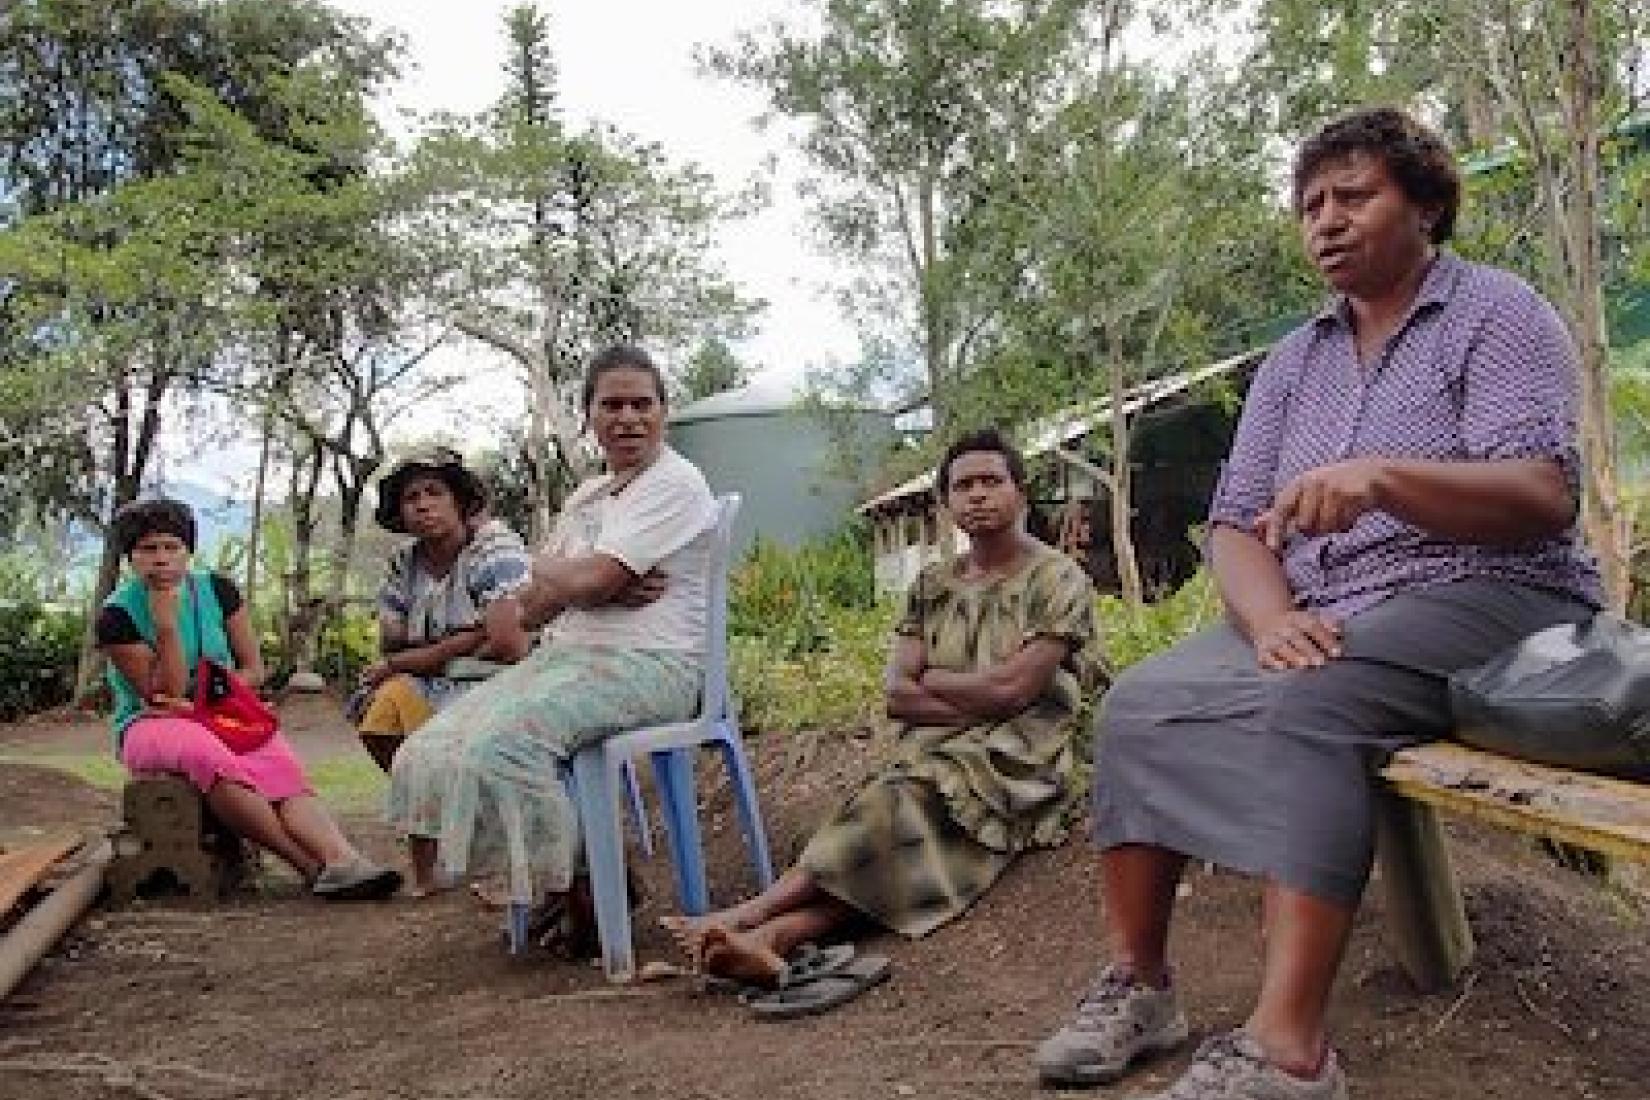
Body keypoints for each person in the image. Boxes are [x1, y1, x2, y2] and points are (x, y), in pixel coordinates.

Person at [1035, 107, 1602, 1100]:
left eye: (1354, 195)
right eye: (1309, 206)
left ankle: (1290, 1045)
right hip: (1332, 604)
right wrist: (1267, 618)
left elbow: (1541, 494)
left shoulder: (1496, 313)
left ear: (1424, 202)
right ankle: (1142, 980)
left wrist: (1385, 477)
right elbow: (1235, 523)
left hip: (1493, 591)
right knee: (1139, 701)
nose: (1326, 221)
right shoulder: (1294, 361)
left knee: (1318, 698)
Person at [663, 428, 1103, 1006]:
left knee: (898, 807)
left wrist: (940, 681)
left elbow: (1016, 690)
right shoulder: (932, 584)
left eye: (991, 481)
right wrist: (975, 692)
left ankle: (753, 915)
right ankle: (772, 938)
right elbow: (898, 693)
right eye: (962, 486)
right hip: (939, 750)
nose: (977, 495)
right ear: (946, 503)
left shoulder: (1056, 578)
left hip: (1022, 757)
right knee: (903, 836)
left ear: (1021, 493)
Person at [387, 344, 717, 924]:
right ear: (588, 414)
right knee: (433, 747)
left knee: (505, 746)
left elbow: (580, 583)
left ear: (665, 411)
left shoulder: (676, 483)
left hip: (655, 665)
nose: (628, 418)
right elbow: (533, 611)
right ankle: (570, 882)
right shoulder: (589, 496)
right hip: (570, 659)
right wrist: (572, 580)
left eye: (643, 404)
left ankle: (588, 895)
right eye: (611, 405)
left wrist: (553, 569)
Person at [97, 498, 402, 900]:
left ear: (188, 550)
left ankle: (343, 858)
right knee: (209, 756)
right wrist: (166, 625)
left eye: (172, 547)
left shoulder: (218, 592)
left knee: (278, 764)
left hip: (219, 711)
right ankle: (309, 866)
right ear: (129, 557)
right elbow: (162, 695)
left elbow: (254, 669)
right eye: (148, 550)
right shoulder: (117, 615)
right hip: (148, 724)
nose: (161, 560)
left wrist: (208, 702)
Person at [354, 447, 533, 772]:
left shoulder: (493, 545)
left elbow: (508, 644)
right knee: (380, 715)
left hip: (500, 682)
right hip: (433, 682)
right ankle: (423, 803)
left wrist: (407, 660)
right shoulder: (404, 563)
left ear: (459, 501)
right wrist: (472, 636)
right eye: (411, 498)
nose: (423, 505)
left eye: (434, 492)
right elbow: (391, 640)